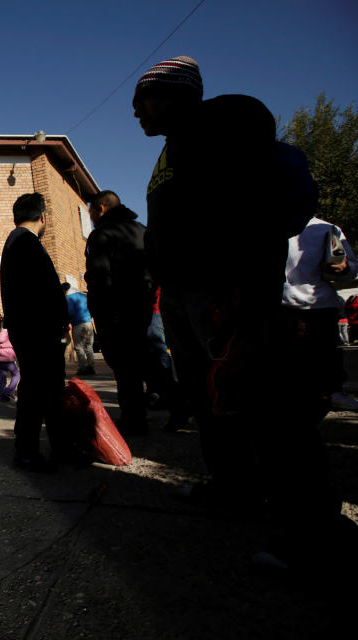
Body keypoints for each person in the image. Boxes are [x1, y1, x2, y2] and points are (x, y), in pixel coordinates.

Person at [134, 55, 346, 568]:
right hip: (185, 295)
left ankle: (315, 535)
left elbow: (255, 217)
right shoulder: (174, 148)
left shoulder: (220, 130)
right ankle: (234, 488)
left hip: (225, 292)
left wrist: (244, 291)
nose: (136, 113)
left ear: (174, 94)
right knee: (211, 400)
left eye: (143, 101)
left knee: (266, 404)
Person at [0, 193, 68, 472]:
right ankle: (27, 451)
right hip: (38, 331)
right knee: (40, 389)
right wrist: (59, 321)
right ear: (42, 216)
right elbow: (41, 291)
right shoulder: (27, 243)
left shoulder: (16, 241)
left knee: (45, 390)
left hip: (29, 329)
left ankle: (59, 447)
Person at [84, 190, 154, 435]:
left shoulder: (101, 235)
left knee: (123, 365)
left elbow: (98, 275)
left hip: (114, 310)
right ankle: (149, 408)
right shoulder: (142, 231)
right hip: (141, 306)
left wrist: (99, 309)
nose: (90, 216)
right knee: (137, 359)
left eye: (91, 210)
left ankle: (133, 418)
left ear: (101, 209)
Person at [282, 217, 358, 410]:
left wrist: (343, 268)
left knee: (325, 358)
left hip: (320, 306)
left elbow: (350, 269)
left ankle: (332, 393)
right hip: (281, 307)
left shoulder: (327, 229)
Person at [62, 283, 95, 375]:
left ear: (65, 290)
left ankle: (82, 367)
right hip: (88, 323)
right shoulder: (83, 296)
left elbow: (70, 313)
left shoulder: (69, 298)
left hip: (77, 324)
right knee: (88, 346)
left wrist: (65, 324)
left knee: (79, 346)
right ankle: (91, 366)